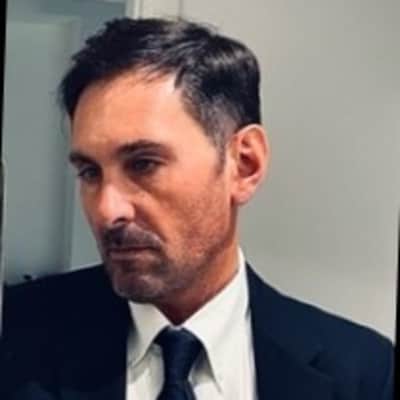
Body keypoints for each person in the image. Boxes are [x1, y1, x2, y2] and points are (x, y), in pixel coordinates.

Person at [0, 17, 393, 400]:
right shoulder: (15, 335)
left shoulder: (363, 373)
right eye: (90, 172)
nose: (107, 210)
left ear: (244, 165)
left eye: (144, 164)